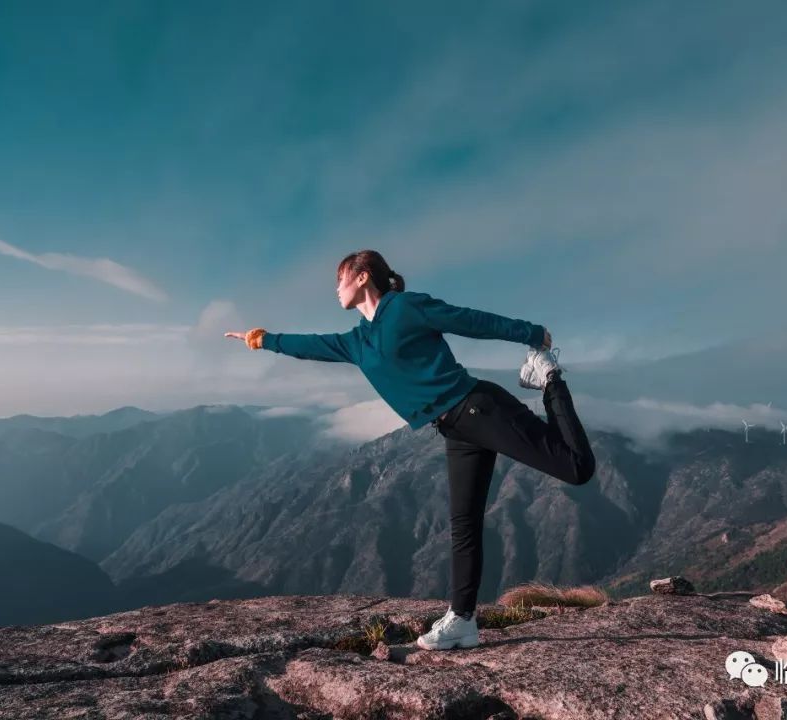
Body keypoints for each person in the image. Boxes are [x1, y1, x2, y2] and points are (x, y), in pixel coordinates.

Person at [225, 249, 595, 652]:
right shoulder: (358, 341)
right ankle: (463, 620)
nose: (335, 290)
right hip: (456, 427)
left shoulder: (406, 307)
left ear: (363, 276)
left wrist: (531, 332)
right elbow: (312, 345)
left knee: (576, 468)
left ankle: (549, 376)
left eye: (340, 280)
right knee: (463, 525)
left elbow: (468, 320)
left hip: (478, 407)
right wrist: (262, 340)